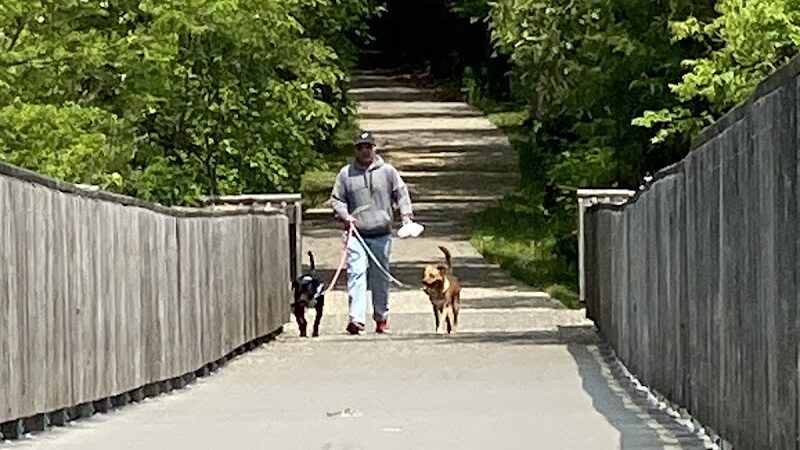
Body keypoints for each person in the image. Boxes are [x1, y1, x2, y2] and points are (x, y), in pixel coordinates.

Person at [330, 131, 414, 335]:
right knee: (356, 274)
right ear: (355, 150)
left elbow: (401, 193)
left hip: (381, 233)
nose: (365, 151)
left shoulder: (388, 171)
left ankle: (381, 317)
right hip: (356, 234)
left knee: (380, 278)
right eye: (361, 147)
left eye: (368, 146)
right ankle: (356, 319)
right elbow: (337, 199)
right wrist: (345, 216)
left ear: (375, 148)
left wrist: (406, 216)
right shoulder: (346, 174)